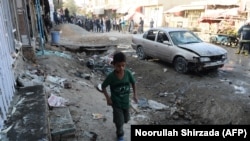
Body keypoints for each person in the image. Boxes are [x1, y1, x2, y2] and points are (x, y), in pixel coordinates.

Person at [101, 51, 138, 141]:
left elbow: (133, 83)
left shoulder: (128, 73)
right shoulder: (111, 77)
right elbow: (103, 86)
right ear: (114, 65)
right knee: (120, 121)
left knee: (126, 119)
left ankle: (118, 121)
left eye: (123, 65)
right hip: (116, 102)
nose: (121, 68)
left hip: (126, 102)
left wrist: (135, 95)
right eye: (118, 66)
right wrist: (108, 98)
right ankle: (120, 134)